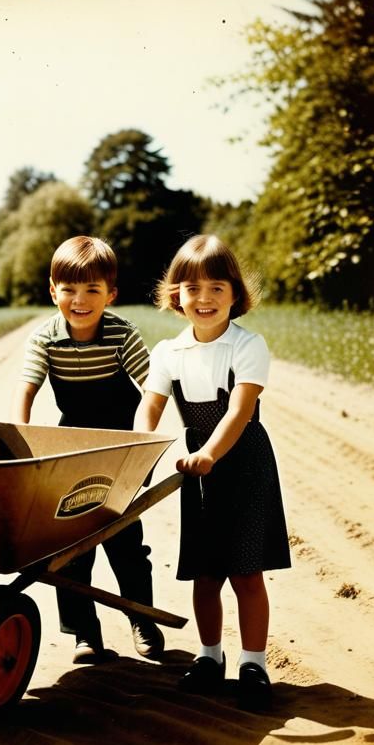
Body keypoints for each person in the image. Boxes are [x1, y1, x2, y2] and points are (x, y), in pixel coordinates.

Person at [134, 233, 291, 711]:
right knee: (205, 573)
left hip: (242, 463)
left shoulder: (247, 345)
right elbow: (150, 407)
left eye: (217, 288)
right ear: (175, 294)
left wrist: (209, 455)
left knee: (246, 572)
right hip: (199, 469)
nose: (204, 299)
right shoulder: (168, 353)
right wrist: (139, 451)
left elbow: (238, 413)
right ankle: (208, 656)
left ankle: (254, 663)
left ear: (235, 295)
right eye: (193, 288)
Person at [12, 235, 166, 665]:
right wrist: (23, 440)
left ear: (111, 294)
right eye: (70, 290)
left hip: (121, 444)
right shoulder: (46, 338)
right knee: (70, 540)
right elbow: (25, 390)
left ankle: (141, 618)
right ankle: (84, 632)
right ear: (53, 291)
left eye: (92, 290)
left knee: (124, 539)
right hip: (77, 443)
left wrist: (143, 440)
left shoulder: (120, 333)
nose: (80, 300)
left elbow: (153, 385)